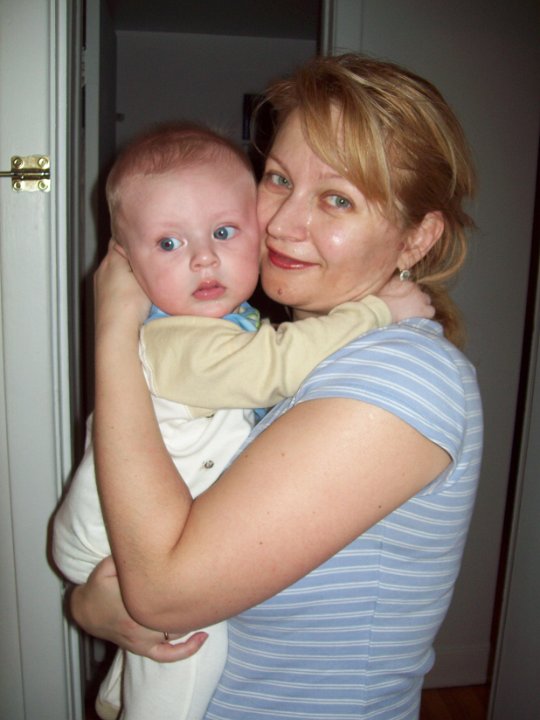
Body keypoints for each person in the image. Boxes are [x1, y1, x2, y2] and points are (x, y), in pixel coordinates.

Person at [70, 53, 482, 720]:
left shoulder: (400, 376)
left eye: (338, 199)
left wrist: (115, 331)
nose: (285, 223)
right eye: (279, 179)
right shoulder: (294, 353)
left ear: (416, 238)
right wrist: (90, 603)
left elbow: (163, 593)